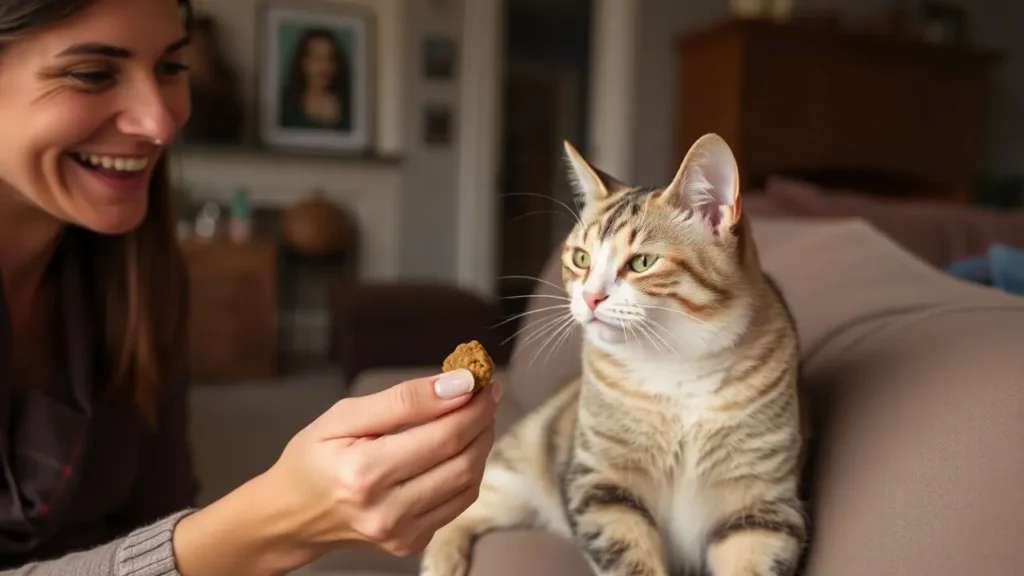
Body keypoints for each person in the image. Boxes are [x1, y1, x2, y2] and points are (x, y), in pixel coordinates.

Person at [0, 0, 501, 575]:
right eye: (92, 73)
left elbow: (160, 508)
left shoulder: (142, 273)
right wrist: (278, 522)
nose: (161, 123)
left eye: (170, 67)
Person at [279, 28, 353, 131]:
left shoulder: (351, 106)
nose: (325, 67)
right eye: (317, 59)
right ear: (303, 63)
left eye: (330, 59)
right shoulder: (284, 106)